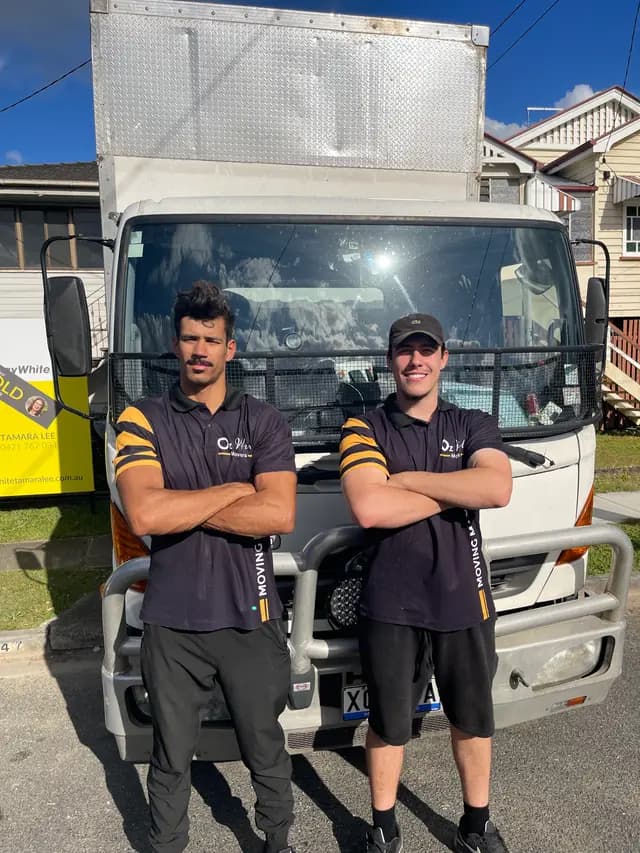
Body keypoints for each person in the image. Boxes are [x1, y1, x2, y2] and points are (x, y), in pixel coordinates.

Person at [114, 281, 297, 853]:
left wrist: (184, 505)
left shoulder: (263, 420)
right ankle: (167, 845)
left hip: (252, 616)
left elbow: (279, 513)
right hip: (173, 622)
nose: (200, 350)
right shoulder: (141, 418)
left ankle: (277, 840)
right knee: (170, 755)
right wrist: (235, 490)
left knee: (265, 745)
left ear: (230, 349)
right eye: (190, 339)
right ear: (176, 345)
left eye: (211, 340)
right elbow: (146, 513)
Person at [339, 313, 513, 853]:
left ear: (443, 359)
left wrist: (409, 482)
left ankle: (476, 825)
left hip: (464, 597)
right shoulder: (363, 427)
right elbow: (370, 507)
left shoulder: (474, 422)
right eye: (404, 350)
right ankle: (383, 827)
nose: (415, 360)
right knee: (389, 723)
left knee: (473, 719)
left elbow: (497, 488)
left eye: (426, 350)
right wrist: (456, 488)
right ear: (390, 360)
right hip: (390, 604)